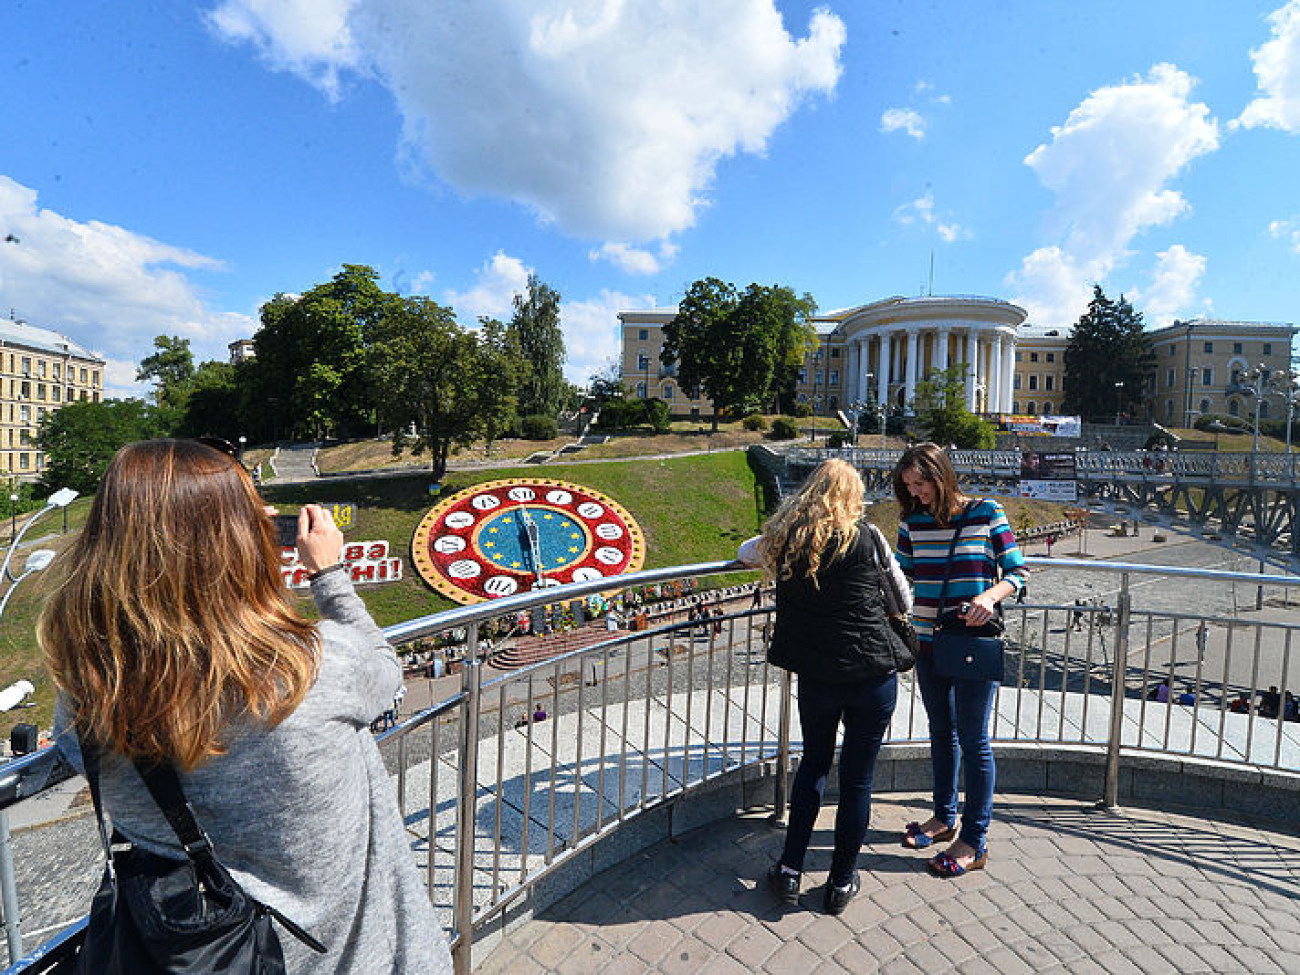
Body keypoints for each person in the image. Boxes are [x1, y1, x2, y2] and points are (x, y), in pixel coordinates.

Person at [39, 439, 452, 975]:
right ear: (235, 544)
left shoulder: (87, 690)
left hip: (196, 951)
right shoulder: (313, 669)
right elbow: (384, 669)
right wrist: (328, 575)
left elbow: (77, 749)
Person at [737, 458, 909, 915]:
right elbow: (903, 599)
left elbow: (744, 550)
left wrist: (785, 529)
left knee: (812, 765)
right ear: (854, 498)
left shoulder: (786, 540)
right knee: (858, 781)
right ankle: (840, 881)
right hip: (872, 672)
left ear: (809, 492)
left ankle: (790, 871)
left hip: (818, 676)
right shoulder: (869, 537)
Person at [892, 442, 1028, 878]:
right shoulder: (911, 522)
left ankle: (975, 838)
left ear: (942, 475)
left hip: (971, 642)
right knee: (940, 732)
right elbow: (899, 579)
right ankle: (944, 815)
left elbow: (1018, 572)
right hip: (927, 644)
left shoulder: (987, 512)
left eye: (922, 483)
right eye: (909, 486)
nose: (916, 493)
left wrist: (989, 597)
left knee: (973, 739)